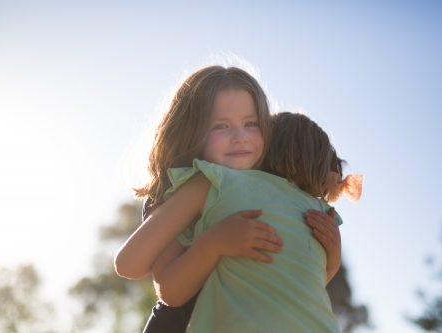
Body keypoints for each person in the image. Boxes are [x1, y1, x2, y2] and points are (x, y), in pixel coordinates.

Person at [114, 64, 349, 332]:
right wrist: (213, 243)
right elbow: (133, 268)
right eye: (221, 126)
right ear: (191, 132)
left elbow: (286, 284)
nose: (240, 138)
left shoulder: (265, 192)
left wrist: (330, 257)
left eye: (251, 124)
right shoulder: (186, 189)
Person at [149, 112, 362, 332]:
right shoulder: (317, 211)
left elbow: (284, 282)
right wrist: (332, 263)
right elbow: (294, 287)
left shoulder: (226, 183)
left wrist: (332, 261)